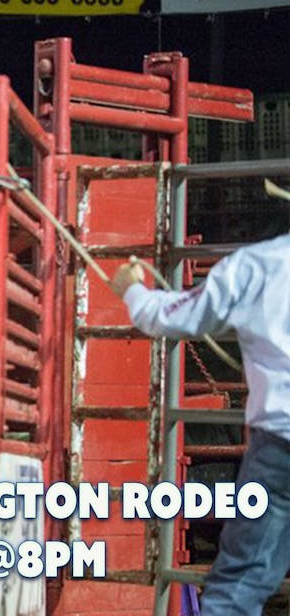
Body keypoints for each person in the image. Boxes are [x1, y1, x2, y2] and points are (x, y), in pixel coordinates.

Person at [111, 182, 290, 616]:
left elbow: (167, 317)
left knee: (238, 583)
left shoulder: (257, 265)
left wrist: (131, 289)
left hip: (279, 438)